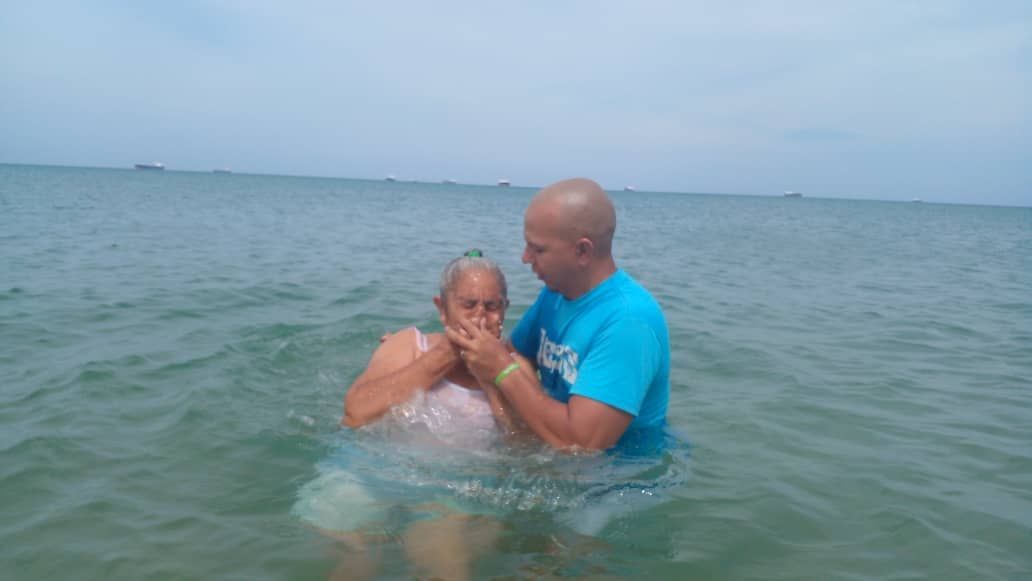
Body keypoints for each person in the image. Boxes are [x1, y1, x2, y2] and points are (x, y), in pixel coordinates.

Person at [303, 250, 533, 581]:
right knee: (354, 561)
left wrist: (491, 374)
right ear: (442, 309)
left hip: (454, 493)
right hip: (370, 471)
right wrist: (442, 358)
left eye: (492, 306)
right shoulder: (408, 344)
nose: (480, 317)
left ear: (505, 311)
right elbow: (355, 413)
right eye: (468, 305)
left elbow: (527, 450)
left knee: (444, 565)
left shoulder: (517, 370)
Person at [447, 178, 670, 452]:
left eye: (538, 249)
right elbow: (514, 353)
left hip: (613, 481)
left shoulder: (629, 322)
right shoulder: (556, 294)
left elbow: (581, 444)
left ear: (582, 251)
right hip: (553, 456)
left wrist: (502, 369)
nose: (525, 258)